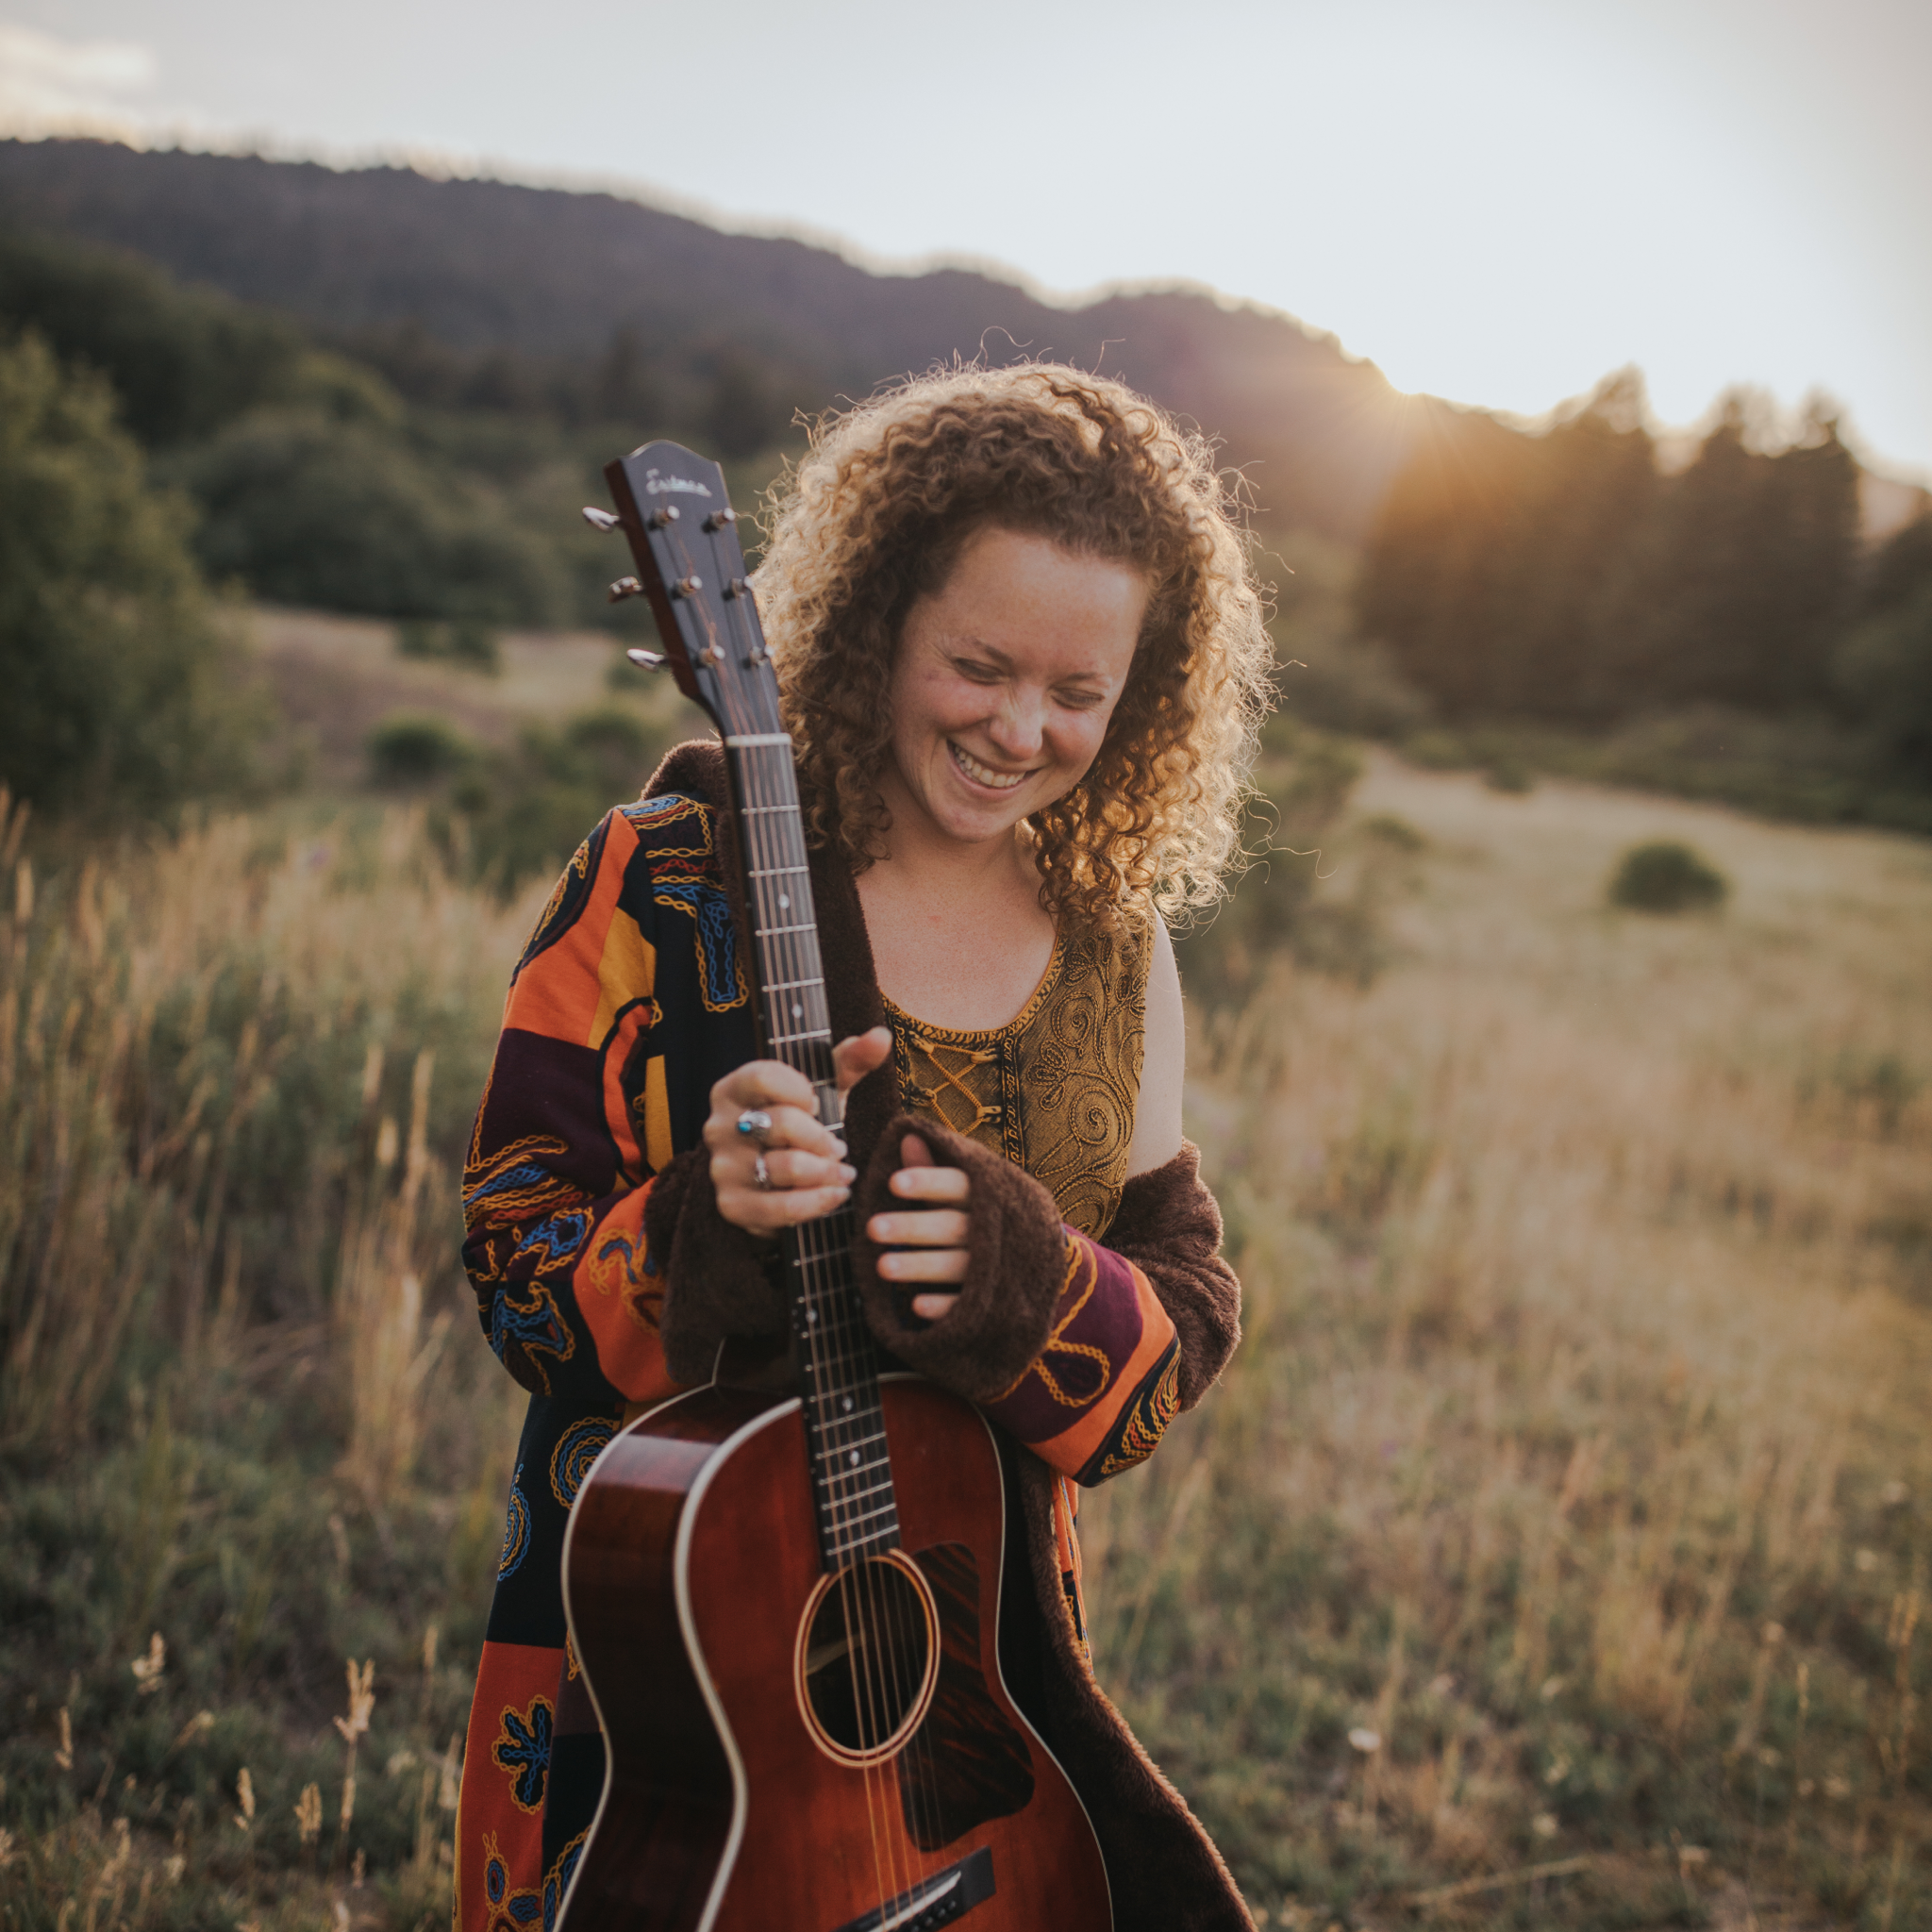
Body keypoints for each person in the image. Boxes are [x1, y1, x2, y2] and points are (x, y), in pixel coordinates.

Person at [455, 363, 1274, 1932]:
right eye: (978, 664)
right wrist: (704, 1222)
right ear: (878, 617)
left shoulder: (1120, 946)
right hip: (657, 1688)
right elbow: (512, 1262)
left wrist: (1027, 1279)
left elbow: (1176, 1331)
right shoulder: (665, 880)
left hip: (965, 1717)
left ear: (1144, 693)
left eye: (1079, 692)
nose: (1019, 730)